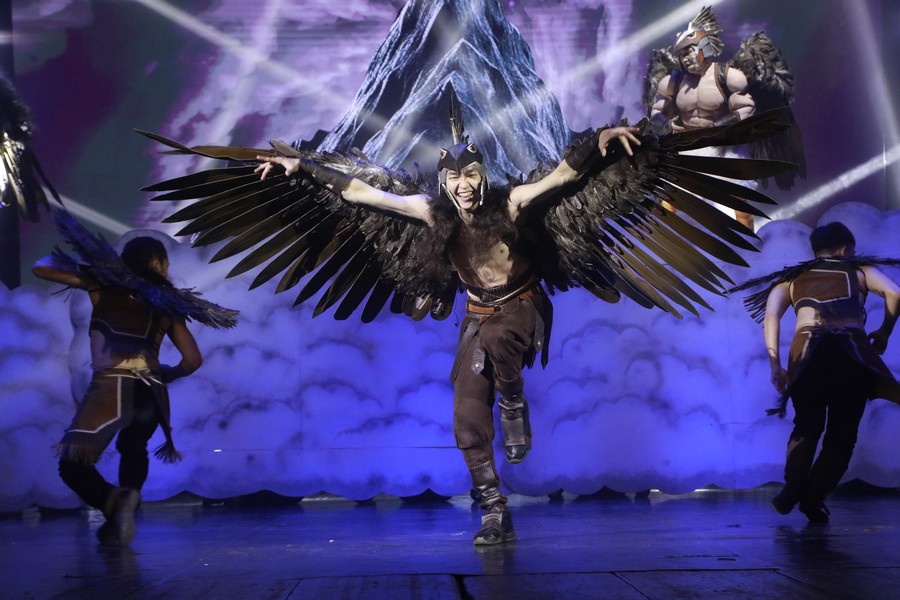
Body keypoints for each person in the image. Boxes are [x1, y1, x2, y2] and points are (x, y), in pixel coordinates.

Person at [256, 125, 640, 545]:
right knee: (466, 421)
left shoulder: (509, 204)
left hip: (521, 306)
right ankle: (494, 512)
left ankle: (513, 403)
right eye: (455, 177)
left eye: (471, 174)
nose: (464, 185)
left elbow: (562, 176)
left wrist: (597, 141)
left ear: (482, 176)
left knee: (497, 339)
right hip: (478, 315)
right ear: (445, 183)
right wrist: (303, 166)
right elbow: (362, 193)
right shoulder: (431, 212)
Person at [33, 223, 227, 545]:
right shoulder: (169, 304)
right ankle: (123, 512)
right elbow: (193, 360)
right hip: (150, 391)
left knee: (72, 466)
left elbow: (41, 267)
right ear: (156, 264)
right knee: (133, 449)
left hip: (110, 387)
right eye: (165, 264)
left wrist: (98, 271)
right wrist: (168, 374)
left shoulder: (102, 286)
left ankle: (112, 501)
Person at [758, 222, 900, 523]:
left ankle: (793, 486)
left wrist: (775, 365)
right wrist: (884, 333)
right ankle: (813, 497)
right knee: (842, 434)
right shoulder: (859, 270)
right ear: (845, 250)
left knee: (807, 425)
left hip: (807, 353)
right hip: (850, 352)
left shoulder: (791, 277)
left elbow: (771, 317)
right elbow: (895, 292)